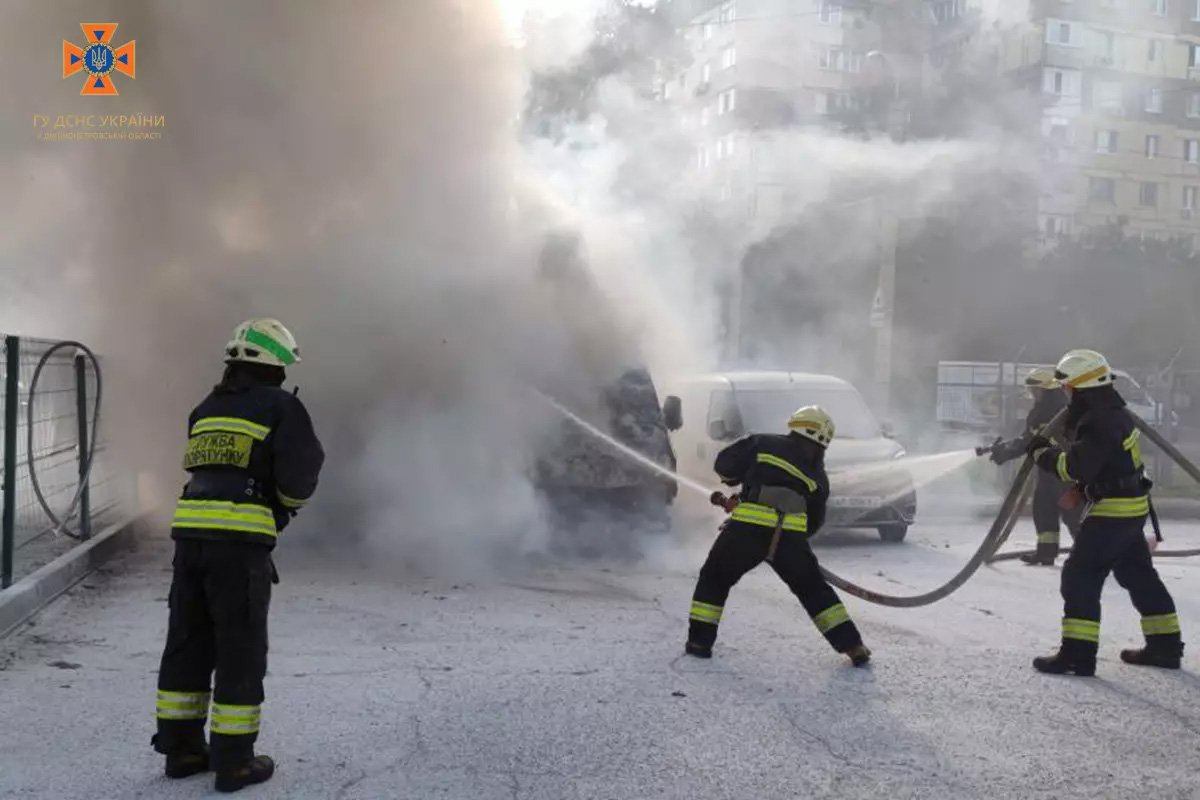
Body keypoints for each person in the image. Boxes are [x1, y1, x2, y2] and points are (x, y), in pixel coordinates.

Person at [152, 318, 325, 792]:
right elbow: (302, 471)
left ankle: (182, 751)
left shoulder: (205, 408)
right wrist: (282, 508)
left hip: (190, 539)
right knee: (240, 650)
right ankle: (234, 762)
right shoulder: (282, 406)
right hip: (239, 545)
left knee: (187, 642)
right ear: (275, 363)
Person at [1027, 349, 1183, 676]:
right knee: (1137, 574)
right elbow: (1109, 464)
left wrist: (1042, 453)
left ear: (1079, 387)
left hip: (1114, 511)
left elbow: (1075, 466)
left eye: (1068, 386)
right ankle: (1165, 646)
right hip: (1131, 506)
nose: (1065, 392)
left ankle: (1077, 655)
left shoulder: (1097, 420)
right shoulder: (1112, 412)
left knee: (1079, 576)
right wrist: (1082, 490)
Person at [685, 405, 871, 667]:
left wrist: (737, 479)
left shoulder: (762, 443)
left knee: (714, 579)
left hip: (745, 532)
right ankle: (853, 646)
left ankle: (699, 644)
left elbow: (724, 465)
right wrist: (794, 543)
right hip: (790, 540)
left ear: (796, 425)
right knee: (814, 591)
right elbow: (815, 521)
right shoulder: (819, 476)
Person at [987, 367, 1081, 565]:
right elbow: (1028, 439)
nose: (1032, 394)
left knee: (1073, 516)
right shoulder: (1043, 410)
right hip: (1048, 472)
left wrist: (1008, 452)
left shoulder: (1057, 411)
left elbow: (1030, 441)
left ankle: (1089, 556)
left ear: (1046, 389)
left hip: (1066, 474)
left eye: (1034, 390)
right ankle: (1046, 553)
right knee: (1043, 511)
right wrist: (1004, 449)